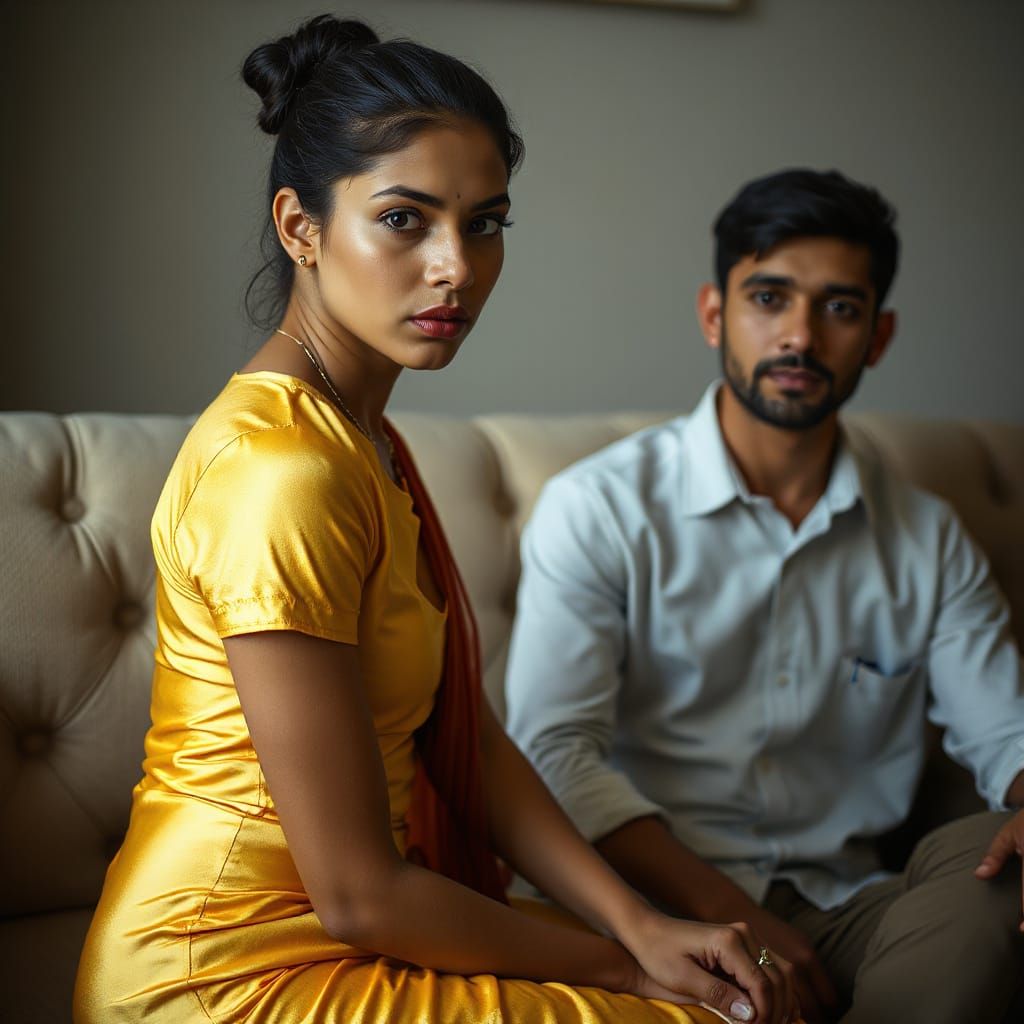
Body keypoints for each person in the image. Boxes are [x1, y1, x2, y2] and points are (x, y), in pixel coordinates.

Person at [72, 16, 801, 1024]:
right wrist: (624, 968)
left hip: (344, 934)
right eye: (405, 219)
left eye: (485, 222)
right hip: (226, 973)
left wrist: (635, 922)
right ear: (300, 226)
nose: (457, 266)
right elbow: (358, 892)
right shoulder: (281, 467)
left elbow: (461, 743)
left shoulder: (358, 441)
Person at [505, 168, 1024, 1024]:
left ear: (879, 336)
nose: (801, 336)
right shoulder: (599, 508)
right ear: (716, 314)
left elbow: (1004, 727)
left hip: (845, 908)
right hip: (647, 904)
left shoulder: (926, 537)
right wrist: (729, 913)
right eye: (770, 298)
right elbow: (555, 755)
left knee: (1006, 867)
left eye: (840, 308)